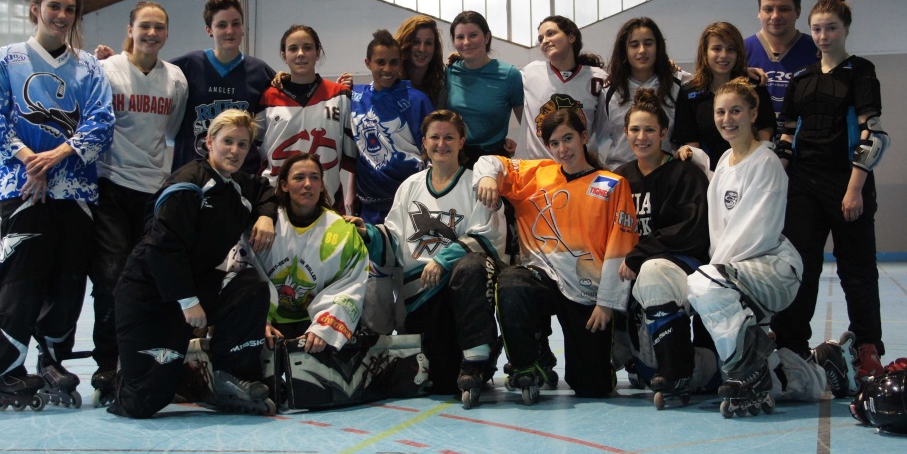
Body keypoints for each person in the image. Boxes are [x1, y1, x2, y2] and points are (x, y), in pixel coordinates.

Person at [0, 0, 114, 410]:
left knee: (69, 284)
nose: (62, 16)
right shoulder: (6, 59)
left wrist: (60, 154)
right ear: (35, 8)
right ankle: (3, 369)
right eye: (54, 7)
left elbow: (101, 123)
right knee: (20, 284)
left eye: (70, 10)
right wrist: (30, 158)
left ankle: (53, 360)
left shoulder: (89, 68)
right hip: (23, 189)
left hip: (77, 194)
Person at [108, 110, 277, 418]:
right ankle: (128, 374)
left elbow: (266, 190)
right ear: (209, 142)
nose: (235, 151)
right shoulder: (189, 184)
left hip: (196, 286)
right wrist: (187, 302)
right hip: (151, 293)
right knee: (143, 404)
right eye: (228, 142)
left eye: (243, 144)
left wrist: (265, 215)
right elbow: (163, 247)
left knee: (250, 287)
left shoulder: (238, 184)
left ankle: (228, 374)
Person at [475, 108, 639, 401]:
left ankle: (613, 350)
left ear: (584, 137)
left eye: (568, 139)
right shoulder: (538, 174)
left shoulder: (612, 184)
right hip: (541, 277)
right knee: (512, 282)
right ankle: (530, 361)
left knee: (593, 387)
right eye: (554, 143)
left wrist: (607, 303)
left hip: (587, 293)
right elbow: (490, 162)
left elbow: (621, 246)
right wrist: (487, 178)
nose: (562, 149)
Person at [771, 0, 889, 383]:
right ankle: (790, 346)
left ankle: (868, 346)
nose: (823, 36)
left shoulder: (861, 72)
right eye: (817, 29)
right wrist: (775, 185)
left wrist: (855, 188)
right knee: (799, 268)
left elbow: (873, 135)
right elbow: (786, 140)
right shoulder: (801, 79)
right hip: (804, 188)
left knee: (857, 270)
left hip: (848, 184)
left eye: (831, 28)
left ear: (846, 30)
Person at [353, 110, 506, 403]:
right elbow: (394, 241)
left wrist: (442, 259)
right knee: (443, 383)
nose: (442, 144)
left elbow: (488, 238)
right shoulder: (410, 186)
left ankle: (478, 353)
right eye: (434, 137)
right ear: (424, 142)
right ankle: (479, 355)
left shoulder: (477, 184)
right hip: (419, 297)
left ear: (462, 141)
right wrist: (368, 234)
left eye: (449, 137)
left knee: (472, 266)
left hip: (459, 291)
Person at [88, 1, 188, 405]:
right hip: (111, 186)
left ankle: (142, 356)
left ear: (167, 34)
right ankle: (108, 359)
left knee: (150, 279)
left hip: (152, 191)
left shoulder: (175, 80)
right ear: (129, 29)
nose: (151, 33)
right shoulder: (105, 71)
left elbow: (172, 132)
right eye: (144, 26)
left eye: (159, 28)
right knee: (110, 278)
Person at [686, 79, 804, 417]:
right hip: (740, 271)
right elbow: (721, 223)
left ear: (753, 114)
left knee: (702, 284)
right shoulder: (725, 160)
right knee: (706, 285)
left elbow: (755, 232)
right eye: (720, 112)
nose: (727, 118)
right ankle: (791, 373)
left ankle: (746, 373)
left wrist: (713, 273)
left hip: (774, 269)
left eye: (736, 110)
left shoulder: (766, 163)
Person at [613, 88, 714, 408]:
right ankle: (631, 355)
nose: (641, 137)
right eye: (634, 130)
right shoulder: (620, 179)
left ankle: (681, 369)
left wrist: (642, 253)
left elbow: (694, 231)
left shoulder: (685, 174)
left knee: (653, 272)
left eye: (649, 130)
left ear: (664, 133)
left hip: (679, 266)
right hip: (630, 271)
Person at [261, 153, 370, 353]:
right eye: (299, 178)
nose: (308, 184)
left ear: (322, 185)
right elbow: (246, 273)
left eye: (314, 177)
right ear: (284, 185)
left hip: (314, 324)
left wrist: (325, 327)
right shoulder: (264, 225)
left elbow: (352, 285)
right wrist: (256, 321)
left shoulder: (342, 231)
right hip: (269, 322)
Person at [168, 0, 275, 174]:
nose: (230, 31)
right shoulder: (186, 66)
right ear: (209, 30)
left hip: (241, 176)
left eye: (236, 23)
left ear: (243, 27)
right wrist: (108, 65)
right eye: (222, 25)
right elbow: (145, 74)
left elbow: (292, 94)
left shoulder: (260, 72)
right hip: (193, 173)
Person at [257, 25, 356, 212]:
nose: (301, 53)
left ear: (318, 53)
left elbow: (353, 158)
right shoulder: (268, 98)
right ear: (284, 55)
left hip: (327, 204)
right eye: (293, 48)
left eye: (308, 47)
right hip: (277, 206)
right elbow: (257, 158)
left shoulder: (340, 95)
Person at [350, 29, 434, 224]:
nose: (387, 69)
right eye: (380, 62)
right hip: (369, 207)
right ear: (367, 63)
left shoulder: (417, 100)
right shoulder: (353, 95)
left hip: (411, 203)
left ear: (400, 63)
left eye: (393, 62)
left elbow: (432, 152)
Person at [673, 22, 776, 171]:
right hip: (710, 173)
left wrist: (759, 161)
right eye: (716, 48)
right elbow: (690, 141)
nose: (724, 55)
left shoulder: (753, 86)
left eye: (731, 49)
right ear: (705, 52)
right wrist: (688, 152)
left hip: (751, 168)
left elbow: (765, 128)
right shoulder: (689, 92)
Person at [600, 17, 688, 170]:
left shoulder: (678, 84)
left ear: (658, 46)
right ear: (624, 50)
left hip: (665, 174)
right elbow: (597, 136)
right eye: (634, 45)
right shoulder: (608, 90)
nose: (642, 50)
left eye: (648, 43)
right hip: (621, 175)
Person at [516, 15, 608, 161]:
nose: (545, 41)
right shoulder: (529, 73)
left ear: (571, 37)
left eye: (551, 33)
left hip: (579, 172)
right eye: (540, 39)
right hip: (535, 172)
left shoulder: (597, 78)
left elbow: (604, 130)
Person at [443, 10, 524, 165]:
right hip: (455, 159)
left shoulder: (509, 75)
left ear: (487, 37)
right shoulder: (450, 72)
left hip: (494, 159)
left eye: (473, 35)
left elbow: (526, 125)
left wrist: (524, 152)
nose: (466, 42)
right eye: (460, 37)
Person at [744, 0, 818, 132]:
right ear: (759, 12)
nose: (775, 16)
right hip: (754, 147)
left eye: (784, 9)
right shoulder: (739, 52)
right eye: (768, 9)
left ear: (798, 12)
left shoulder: (817, 51)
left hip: (803, 145)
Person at [395, 14, 446, 107]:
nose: (422, 49)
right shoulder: (391, 84)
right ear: (404, 44)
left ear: (435, 48)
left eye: (428, 43)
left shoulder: (441, 89)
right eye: (416, 42)